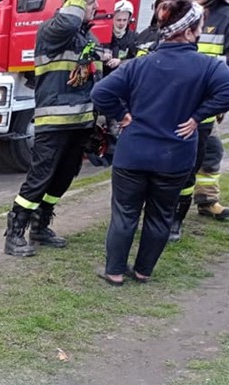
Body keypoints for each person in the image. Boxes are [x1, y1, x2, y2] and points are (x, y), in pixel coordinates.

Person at [92, 0, 229, 284]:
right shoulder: (208, 67)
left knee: (124, 214)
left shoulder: (139, 65)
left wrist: (122, 115)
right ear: (190, 31)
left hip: (133, 154)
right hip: (175, 157)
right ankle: (143, 271)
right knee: (160, 215)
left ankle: (115, 272)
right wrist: (199, 115)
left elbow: (100, 92)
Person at [4, 0, 101, 257]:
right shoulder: (52, 30)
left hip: (80, 123)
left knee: (63, 177)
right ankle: (14, 233)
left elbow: (96, 80)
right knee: (40, 178)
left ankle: (40, 226)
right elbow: (69, 21)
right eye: (90, 2)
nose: (97, 5)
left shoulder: (88, 37)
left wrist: (100, 120)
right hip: (54, 122)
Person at [192, 0, 229, 222]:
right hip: (178, 96)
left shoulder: (225, 16)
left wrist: (221, 100)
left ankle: (206, 200)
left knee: (211, 150)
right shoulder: (180, 8)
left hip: (207, 100)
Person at [102, 0, 137, 73]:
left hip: (123, 76)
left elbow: (137, 60)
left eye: (125, 20)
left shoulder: (133, 37)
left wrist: (120, 62)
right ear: (112, 19)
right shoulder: (103, 34)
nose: (122, 23)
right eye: (119, 20)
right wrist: (101, 56)